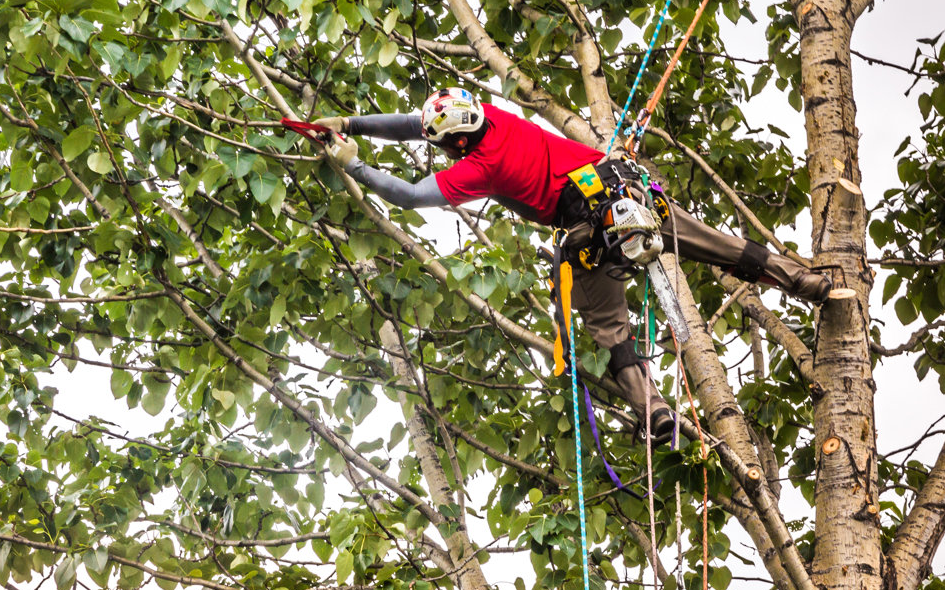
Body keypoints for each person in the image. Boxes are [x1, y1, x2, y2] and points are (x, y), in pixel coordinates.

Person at [289, 88, 839, 439]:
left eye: (446, 145)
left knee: (610, 330)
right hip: (624, 190)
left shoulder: (480, 167)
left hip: (587, 229)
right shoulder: (492, 118)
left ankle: (654, 411)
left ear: (457, 141)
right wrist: (352, 124)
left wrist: (354, 166)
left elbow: (409, 196)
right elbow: (415, 123)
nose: (444, 152)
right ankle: (807, 283)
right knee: (715, 244)